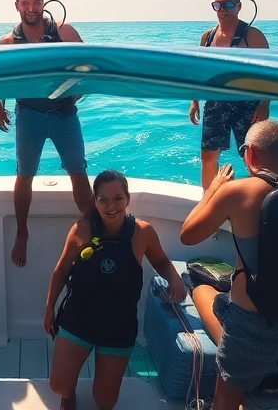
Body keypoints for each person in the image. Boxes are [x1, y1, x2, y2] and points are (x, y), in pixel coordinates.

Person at [180, 121, 278, 410]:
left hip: (255, 324)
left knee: (227, 396)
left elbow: (188, 234)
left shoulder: (239, 192)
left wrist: (215, 188)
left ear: (249, 154)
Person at [45, 170, 185, 410]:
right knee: (58, 386)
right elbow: (60, 271)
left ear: (128, 199)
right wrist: (49, 308)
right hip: (79, 318)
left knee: (105, 402)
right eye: (103, 199)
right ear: (95, 201)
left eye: (118, 198)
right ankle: (69, 395)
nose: (111, 206)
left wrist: (174, 277)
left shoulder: (143, 233)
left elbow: (160, 261)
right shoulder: (81, 230)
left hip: (118, 326)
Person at [0, 0, 91, 267]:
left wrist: (79, 88)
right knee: (24, 176)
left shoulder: (64, 32)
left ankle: (95, 231)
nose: (31, 8)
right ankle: (22, 232)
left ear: (43, 3)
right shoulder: (8, 43)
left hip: (65, 114)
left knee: (78, 172)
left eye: (37, 2)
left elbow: (90, 65)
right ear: (17, 5)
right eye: (26, 3)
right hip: (29, 115)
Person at [189, 0, 270, 190]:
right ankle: (209, 200)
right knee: (208, 155)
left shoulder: (252, 36)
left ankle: (258, 201)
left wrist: (264, 104)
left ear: (239, 7)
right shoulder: (207, 37)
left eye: (229, 4)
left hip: (247, 105)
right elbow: (199, 70)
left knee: (253, 157)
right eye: (218, 5)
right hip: (215, 103)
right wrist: (195, 99)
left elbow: (270, 73)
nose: (222, 9)